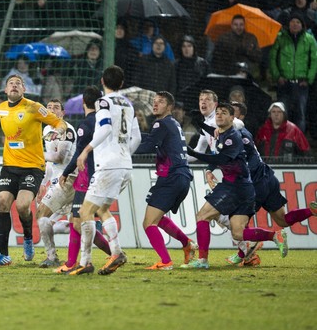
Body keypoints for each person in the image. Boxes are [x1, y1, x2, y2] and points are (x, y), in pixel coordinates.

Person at [183, 102, 288, 269]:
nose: (219, 115)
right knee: (238, 232)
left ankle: (202, 260)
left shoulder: (233, 137)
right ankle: (274, 236)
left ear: (233, 118)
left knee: (202, 216)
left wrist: (194, 153)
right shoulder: (222, 133)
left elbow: (221, 160)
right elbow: (211, 131)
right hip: (244, 188)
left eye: (224, 113)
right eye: (217, 112)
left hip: (234, 187)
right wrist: (198, 121)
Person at [221, 101, 317, 265]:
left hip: (256, 183)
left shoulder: (239, 135)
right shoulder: (242, 134)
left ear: (240, 117)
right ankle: (311, 210)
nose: (226, 116)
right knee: (282, 220)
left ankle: (248, 251)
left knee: (238, 226)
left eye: (232, 113)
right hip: (268, 178)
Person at [70, 65, 141, 275]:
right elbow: (136, 137)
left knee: (85, 212)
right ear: (121, 83)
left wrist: (86, 150)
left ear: (102, 81)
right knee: (101, 209)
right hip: (125, 164)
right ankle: (116, 252)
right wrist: (123, 153)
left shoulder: (102, 102)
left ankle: (85, 262)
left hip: (108, 165)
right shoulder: (128, 104)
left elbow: (106, 128)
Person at [0, 74, 67, 266]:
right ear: (6, 90)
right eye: (11, 83)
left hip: (32, 167)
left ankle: (27, 238)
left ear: (24, 89)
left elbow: (59, 122)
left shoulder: (34, 107)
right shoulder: (0, 109)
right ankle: (3, 255)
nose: (14, 85)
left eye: (18, 83)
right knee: (2, 202)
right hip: (9, 165)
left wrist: (57, 132)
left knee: (23, 206)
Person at [53, 86, 113, 273]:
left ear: (83, 103)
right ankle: (76, 261)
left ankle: (106, 256)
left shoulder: (85, 124)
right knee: (78, 219)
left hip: (87, 176)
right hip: (104, 174)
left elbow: (79, 153)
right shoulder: (104, 121)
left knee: (78, 221)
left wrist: (65, 172)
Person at [134, 91, 197, 270]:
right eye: (154, 101)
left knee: (148, 223)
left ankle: (165, 261)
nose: (155, 104)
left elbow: (147, 146)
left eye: (160, 102)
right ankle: (187, 244)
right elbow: (150, 139)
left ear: (169, 107)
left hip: (172, 176)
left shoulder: (160, 123)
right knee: (159, 219)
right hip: (181, 177)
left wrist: (123, 149)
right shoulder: (172, 123)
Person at [35, 99, 77, 267]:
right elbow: (52, 164)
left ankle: (52, 257)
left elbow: (59, 157)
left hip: (69, 180)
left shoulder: (66, 130)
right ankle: (114, 251)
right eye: (49, 108)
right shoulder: (47, 129)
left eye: (56, 108)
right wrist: (42, 182)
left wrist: (35, 155)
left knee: (41, 215)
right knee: (75, 222)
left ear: (62, 113)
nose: (52, 110)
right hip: (59, 179)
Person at [269, 12, 317, 133]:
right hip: (284, 83)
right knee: (282, 115)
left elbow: (314, 60)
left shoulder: (310, 39)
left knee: (300, 114)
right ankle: (283, 143)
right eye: (292, 22)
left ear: (302, 25)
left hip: (301, 84)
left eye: (298, 22)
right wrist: (277, 76)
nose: (295, 24)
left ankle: (299, 146)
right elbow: (272, 58)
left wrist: (308, 79)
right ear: (288, 24)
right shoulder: (280, 38)